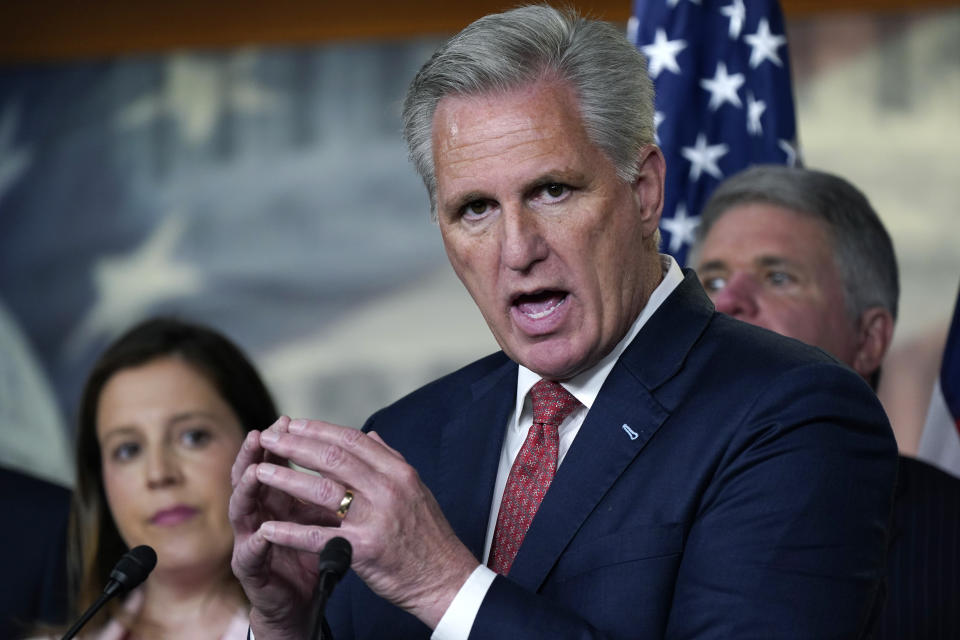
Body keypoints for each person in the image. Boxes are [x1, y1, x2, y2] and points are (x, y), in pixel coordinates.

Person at [229, 6, 897, 639]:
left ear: (644, 192)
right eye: (476, 209)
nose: (518, 249)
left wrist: (444, 585)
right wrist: (289, 624)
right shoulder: (406, 439)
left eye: (552, 191)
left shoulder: (793, 413)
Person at [692, 163, 960, 639]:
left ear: (868, 340)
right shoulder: (607, 500)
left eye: (777, 277)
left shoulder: (950, 538)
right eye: (711, 281)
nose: (729, 300)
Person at [37, 317, 278, 639]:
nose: (159, 474)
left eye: (193, 436)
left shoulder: (334, 626)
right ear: (100, 483)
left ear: (261, 450)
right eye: (128, 450)